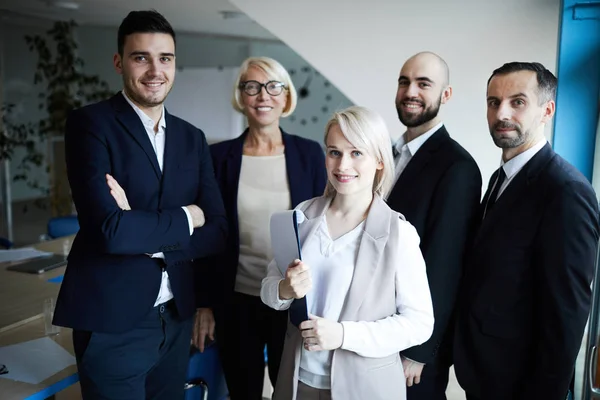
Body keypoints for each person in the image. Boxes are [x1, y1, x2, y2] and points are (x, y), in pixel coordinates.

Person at [53, 10, 227, 399]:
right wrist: (187, 216)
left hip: (176, 318)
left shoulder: (191, 138)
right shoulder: (90, 125)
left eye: (165, 58)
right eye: (140, 57)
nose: (155, 70)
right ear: (119, 62)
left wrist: (142, 227)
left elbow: (216, 230)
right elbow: (111, 232)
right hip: (114, 322)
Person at [261, 106, 434, 399]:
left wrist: (343, 335)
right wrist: (285, 289)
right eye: (334, 152)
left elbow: (419, 324)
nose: (342, 165)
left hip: (364, 387)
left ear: (379, 160)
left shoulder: (399, 234)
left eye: (356, 153)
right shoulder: (302, 215)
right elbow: (268, 290)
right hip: (297, 379)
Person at [453, 62, 600, 400]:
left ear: (546, 110)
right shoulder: (500, 178)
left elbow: (566, 315)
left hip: (522, 386)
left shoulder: (565, 190)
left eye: (517, 102)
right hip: (485, 374)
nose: (501, 112)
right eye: (493, 102)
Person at [192, 56, 327, 399]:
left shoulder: (309, 154)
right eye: (251, 87)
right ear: (242, 97)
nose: (262, 95)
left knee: (290, 391)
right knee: (243, 391)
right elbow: (208, 233)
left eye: (272, 86)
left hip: (292, 298)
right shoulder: (219, 157)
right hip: (235, 300)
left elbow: (322, 227)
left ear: (286, 98)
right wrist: (204, 304)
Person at [386, 51, 482, 399]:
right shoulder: (385, 153)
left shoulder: (457, 167)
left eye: (423, 84)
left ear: (446, 94)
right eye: (404, 81)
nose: (411, 91)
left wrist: (419, 350)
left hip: (413, 346)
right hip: (372, 329)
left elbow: (446, 267)